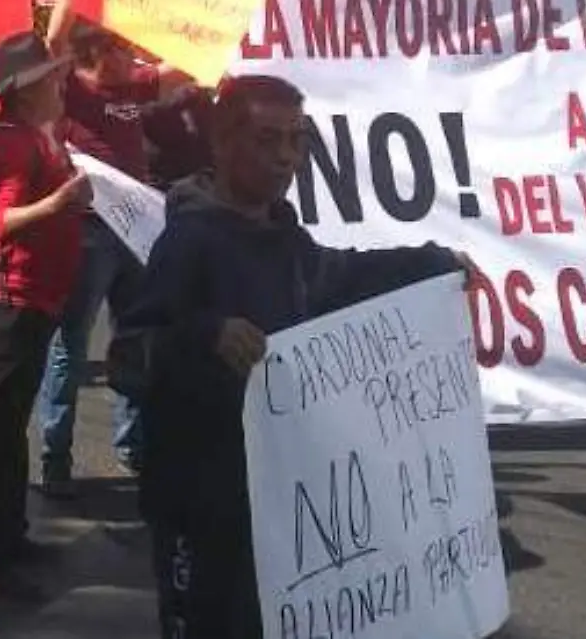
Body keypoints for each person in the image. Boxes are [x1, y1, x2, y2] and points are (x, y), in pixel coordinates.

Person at [110, 75, 465, 639]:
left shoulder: (286, 240)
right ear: (223, 144)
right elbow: (127, 356)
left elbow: (345, 276)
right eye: (266, 139)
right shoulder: (188, 241)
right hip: (197, 504)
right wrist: (207, 334)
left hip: (275, 501)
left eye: (296, 141)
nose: (285, 158)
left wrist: (435, 262)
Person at [38, 0, 192, 490]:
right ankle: (56, 456)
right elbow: (52, 38)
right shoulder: (70, 90)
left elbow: (185, 68)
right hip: (88, 233)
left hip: (136, 234)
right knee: (70, 347)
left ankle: (134, 445)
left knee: (136, 339)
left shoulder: (135, 85)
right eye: (122, 50)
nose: (133, 59)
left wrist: (226, 15)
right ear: (94, 54)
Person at [0, 31, 89, 600]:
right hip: (13, 303)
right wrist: (60, 203)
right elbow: (0, 224)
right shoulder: (12, 145)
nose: (61, 84)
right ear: (29, 89)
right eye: (52, 77)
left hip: (33, 302)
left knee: (8, 429)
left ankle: (5, 536)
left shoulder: (33, 138)